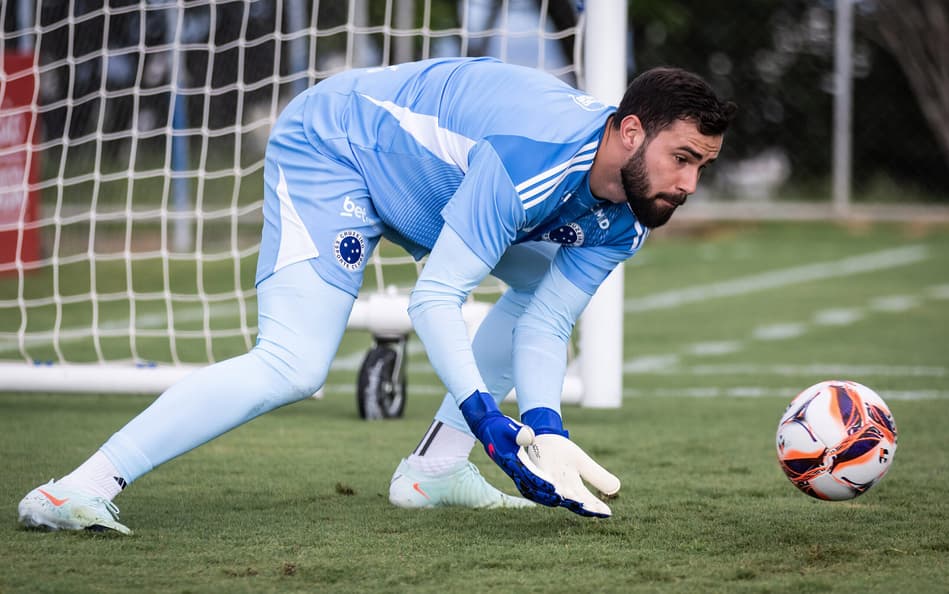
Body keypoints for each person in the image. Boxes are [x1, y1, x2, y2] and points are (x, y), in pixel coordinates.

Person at [17, 57, 735, 534]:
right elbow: (436, 298)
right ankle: (74, 489)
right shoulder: (530, 158)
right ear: (631, 131)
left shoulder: (629, 219)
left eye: (702, 167)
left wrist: (547, 430)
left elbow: (546, 321)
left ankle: (432, 473)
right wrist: (492, 421)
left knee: (536, 290)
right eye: (682, 159)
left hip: (431, 190)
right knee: (293, 364)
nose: (688, 186)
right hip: (340, 151)